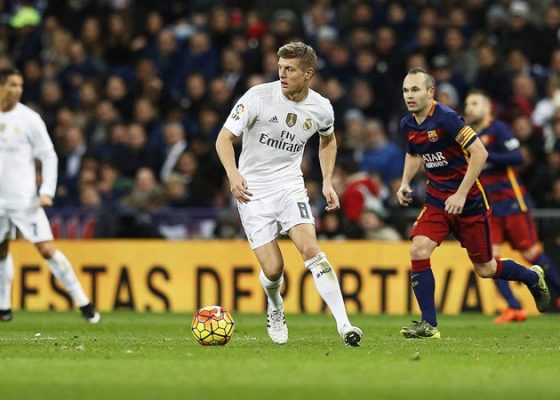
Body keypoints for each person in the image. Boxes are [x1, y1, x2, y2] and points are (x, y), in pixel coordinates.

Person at [215, 42, 362, 346]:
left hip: (289, 186)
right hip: (252, 190)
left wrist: (326, 181)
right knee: (273, 268)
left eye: (289, 69)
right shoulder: (258, 96)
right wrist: (233, 174)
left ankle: (345, 325)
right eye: (280, 67)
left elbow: (328, 140)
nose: (281, 74)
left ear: (308, 73)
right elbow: (224, 138)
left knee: (310, 249)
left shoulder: (321, 107)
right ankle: (275, 304)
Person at [396, 67, 549, 339]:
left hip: (469, 202)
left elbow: (480, 152)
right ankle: (428, 325)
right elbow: (413, 154)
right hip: (436, 201)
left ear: (431, 92)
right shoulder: (407, 124)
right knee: (419, 249)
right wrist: (405, 182)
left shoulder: (448, 118)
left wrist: (461, 193)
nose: (410, 95)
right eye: (406, 90)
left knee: (486, 268)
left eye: (416, 89)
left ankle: (531, 277)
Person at [0, 67, 100, 323]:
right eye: (12, 85)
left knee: (46, 249)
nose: (18, 90)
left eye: (20, 85)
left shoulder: (29, 118)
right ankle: (4, 307)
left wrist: (46, 191)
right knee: (1, 251)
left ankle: (84, 302)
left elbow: (48, 155)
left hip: (24, 200)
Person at [465, 89, 560, 323]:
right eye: (467, 103)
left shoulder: (498, 129)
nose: (469, 108)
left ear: (487, 108)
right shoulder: (467, 137)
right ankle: (514, 307)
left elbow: (517, 157)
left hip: (512, 203)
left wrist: (485, 156)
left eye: (475, 103)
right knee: (490, 260)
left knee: (531, 253)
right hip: (489, 208)